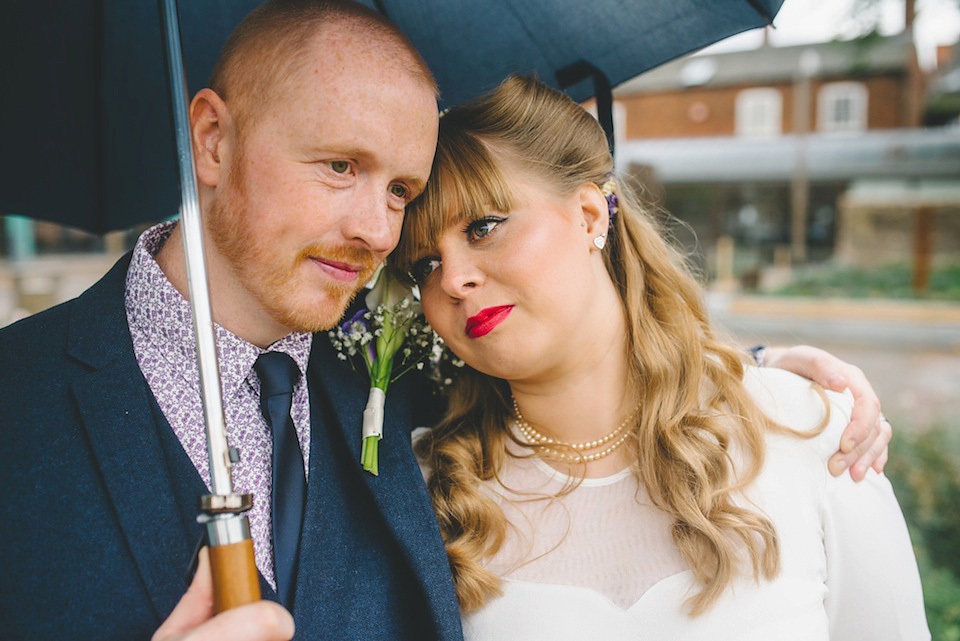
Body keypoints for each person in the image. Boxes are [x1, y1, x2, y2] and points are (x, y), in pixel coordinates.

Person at [0, 2, 893, 640]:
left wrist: (754, 372)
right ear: (212, 140)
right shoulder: (18, 400)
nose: (377, 232)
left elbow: (579, 372)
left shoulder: (391, 396)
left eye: (398, 189)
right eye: (339, 166)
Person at [391, 75, 929, 640]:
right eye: (424, 265)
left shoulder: (805, 430)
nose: (453, 279)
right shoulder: (428, 492)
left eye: (484, 226)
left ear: (590, 216)